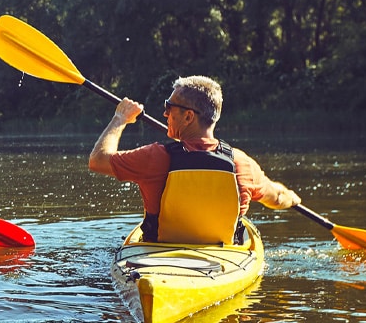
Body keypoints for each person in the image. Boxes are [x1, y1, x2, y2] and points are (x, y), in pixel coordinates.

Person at [87, 75, 301, 245]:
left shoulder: (155, 157)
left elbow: (97, 160)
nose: (164, 114)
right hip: (223, 259)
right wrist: (293, 198)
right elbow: (278, 197)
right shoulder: (241, 163)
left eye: (169, 108)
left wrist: (120, 119)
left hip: (158, 253)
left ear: (189, 117)